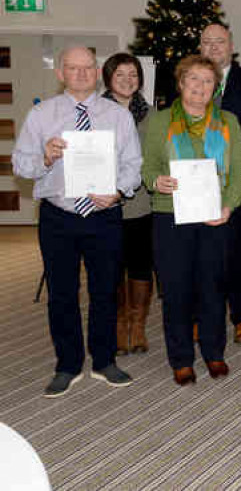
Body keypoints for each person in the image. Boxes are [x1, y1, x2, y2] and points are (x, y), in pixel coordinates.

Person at [13, 46, 142, 397]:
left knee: (105, 290)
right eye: (73, 68)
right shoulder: (41, 115)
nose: (82, 74)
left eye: (88, 67)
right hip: (60, 217)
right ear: (60, 73)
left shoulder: (117, 116)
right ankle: (67, 365)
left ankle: (104, 360)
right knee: (62, 294)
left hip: (104, 216)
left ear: (97, 70)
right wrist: (45, 157)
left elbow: (133, 164)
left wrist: (118, 191)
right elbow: (20, 166)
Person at [143, 54, 241, 385]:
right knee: (176, 290)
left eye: (207, 81)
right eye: (194, 79)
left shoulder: (228, 121)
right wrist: (156, 181)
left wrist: (229, 206)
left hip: (216, 218)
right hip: (171, 216)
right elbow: (148, 168)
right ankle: (181, 358)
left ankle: (214, 353)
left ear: (215, 87)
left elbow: (240, 171)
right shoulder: (159, 121)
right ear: (181, 83)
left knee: (213, 287)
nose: (200, 86)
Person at [200, 23, 241, 343]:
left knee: (238, 252)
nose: (214, 47)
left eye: (220, 41)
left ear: (231, 45)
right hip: (198, 179)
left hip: (238, 179)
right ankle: (204, 315)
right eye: (207, 42)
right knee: (202, 253)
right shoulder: (191, 80)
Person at [101, 52, 155, 355]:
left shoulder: (152, 115)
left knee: (140, 265)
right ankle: (120, 323)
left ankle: (137, 325)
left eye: (133, 74)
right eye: (120, 74)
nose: (127, 80)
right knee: (111, 267)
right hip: (104, 203)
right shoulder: (93, 114)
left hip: (141, 204)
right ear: (108, 78)